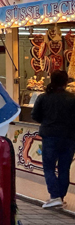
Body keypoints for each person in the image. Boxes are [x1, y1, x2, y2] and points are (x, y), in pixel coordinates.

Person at [31, 70, 75, 209]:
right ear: (66, 81)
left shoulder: (44, 97)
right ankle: (60, 198)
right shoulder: (72, 98)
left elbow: (35, 115)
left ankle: (54, 196)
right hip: (69, 137)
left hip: (49, 135)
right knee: (64, 168)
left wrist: (47, 120)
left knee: (49, 167)